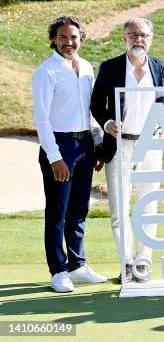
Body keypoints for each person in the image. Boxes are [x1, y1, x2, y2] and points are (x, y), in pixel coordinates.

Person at [91, 17, 164, 283]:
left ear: (151, 38)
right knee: (119, 207)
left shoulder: (161, 68)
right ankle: (127, 263)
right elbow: (96, 102)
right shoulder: (110, 68)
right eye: (133, 34)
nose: (138, 39)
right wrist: (107, 123)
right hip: (119, 145)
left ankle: (144, 261)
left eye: (143, 34)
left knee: (149, 204)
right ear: (124, 38)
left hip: (150, 144)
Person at [32, 16, 107, 293]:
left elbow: (90, 111)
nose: (68, 42)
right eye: (62, 37)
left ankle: (77, 265)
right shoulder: (46, 72)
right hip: (59, 145)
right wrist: (54, 156)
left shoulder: (86, 67)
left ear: (81, 39)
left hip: (84, 145)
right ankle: (58, 270)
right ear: (54, 39)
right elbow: (41, 119)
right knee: (58, 212)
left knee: (79, 210)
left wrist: (96, 146)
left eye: (73, 37)